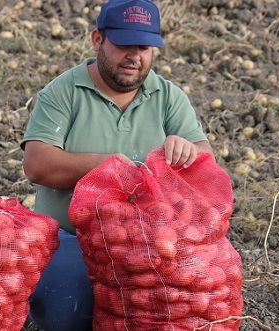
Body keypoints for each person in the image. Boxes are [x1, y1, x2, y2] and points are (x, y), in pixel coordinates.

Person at [21, 0, 213, 330]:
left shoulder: (167, 97)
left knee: (188, 297)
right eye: (124, 44)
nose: (134, 56)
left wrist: (187, 151)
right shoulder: (64, 92)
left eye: (144, 47)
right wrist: (105, 165)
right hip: (70, 235)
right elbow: (37, 164)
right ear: (98, 39)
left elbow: (206, 160)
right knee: (69, 308)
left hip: (151, 237)